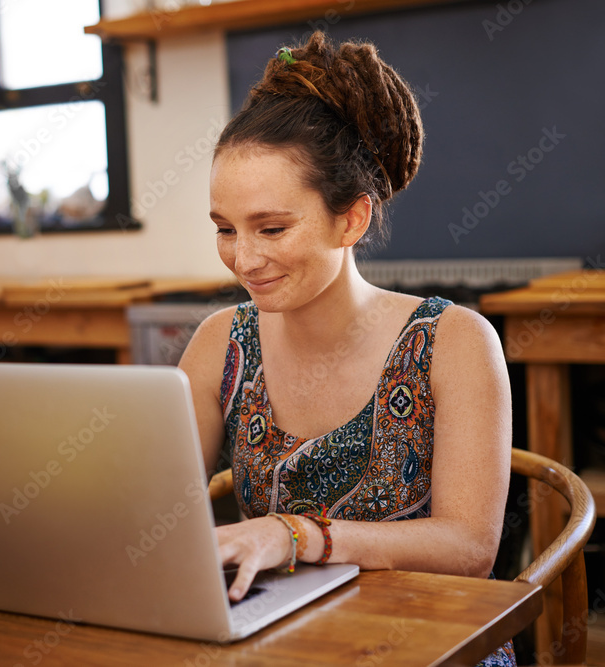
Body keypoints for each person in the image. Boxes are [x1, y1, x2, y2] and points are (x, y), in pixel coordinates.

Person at [177, 31, 515, 666]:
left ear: (352, 219)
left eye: (272, 228)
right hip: (276, 639)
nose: (243, 260)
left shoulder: (455, 341)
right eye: (225, 230)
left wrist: (295, 536)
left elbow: (470, 549)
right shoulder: (218, 343)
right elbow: (160, 513)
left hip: (433, 642)